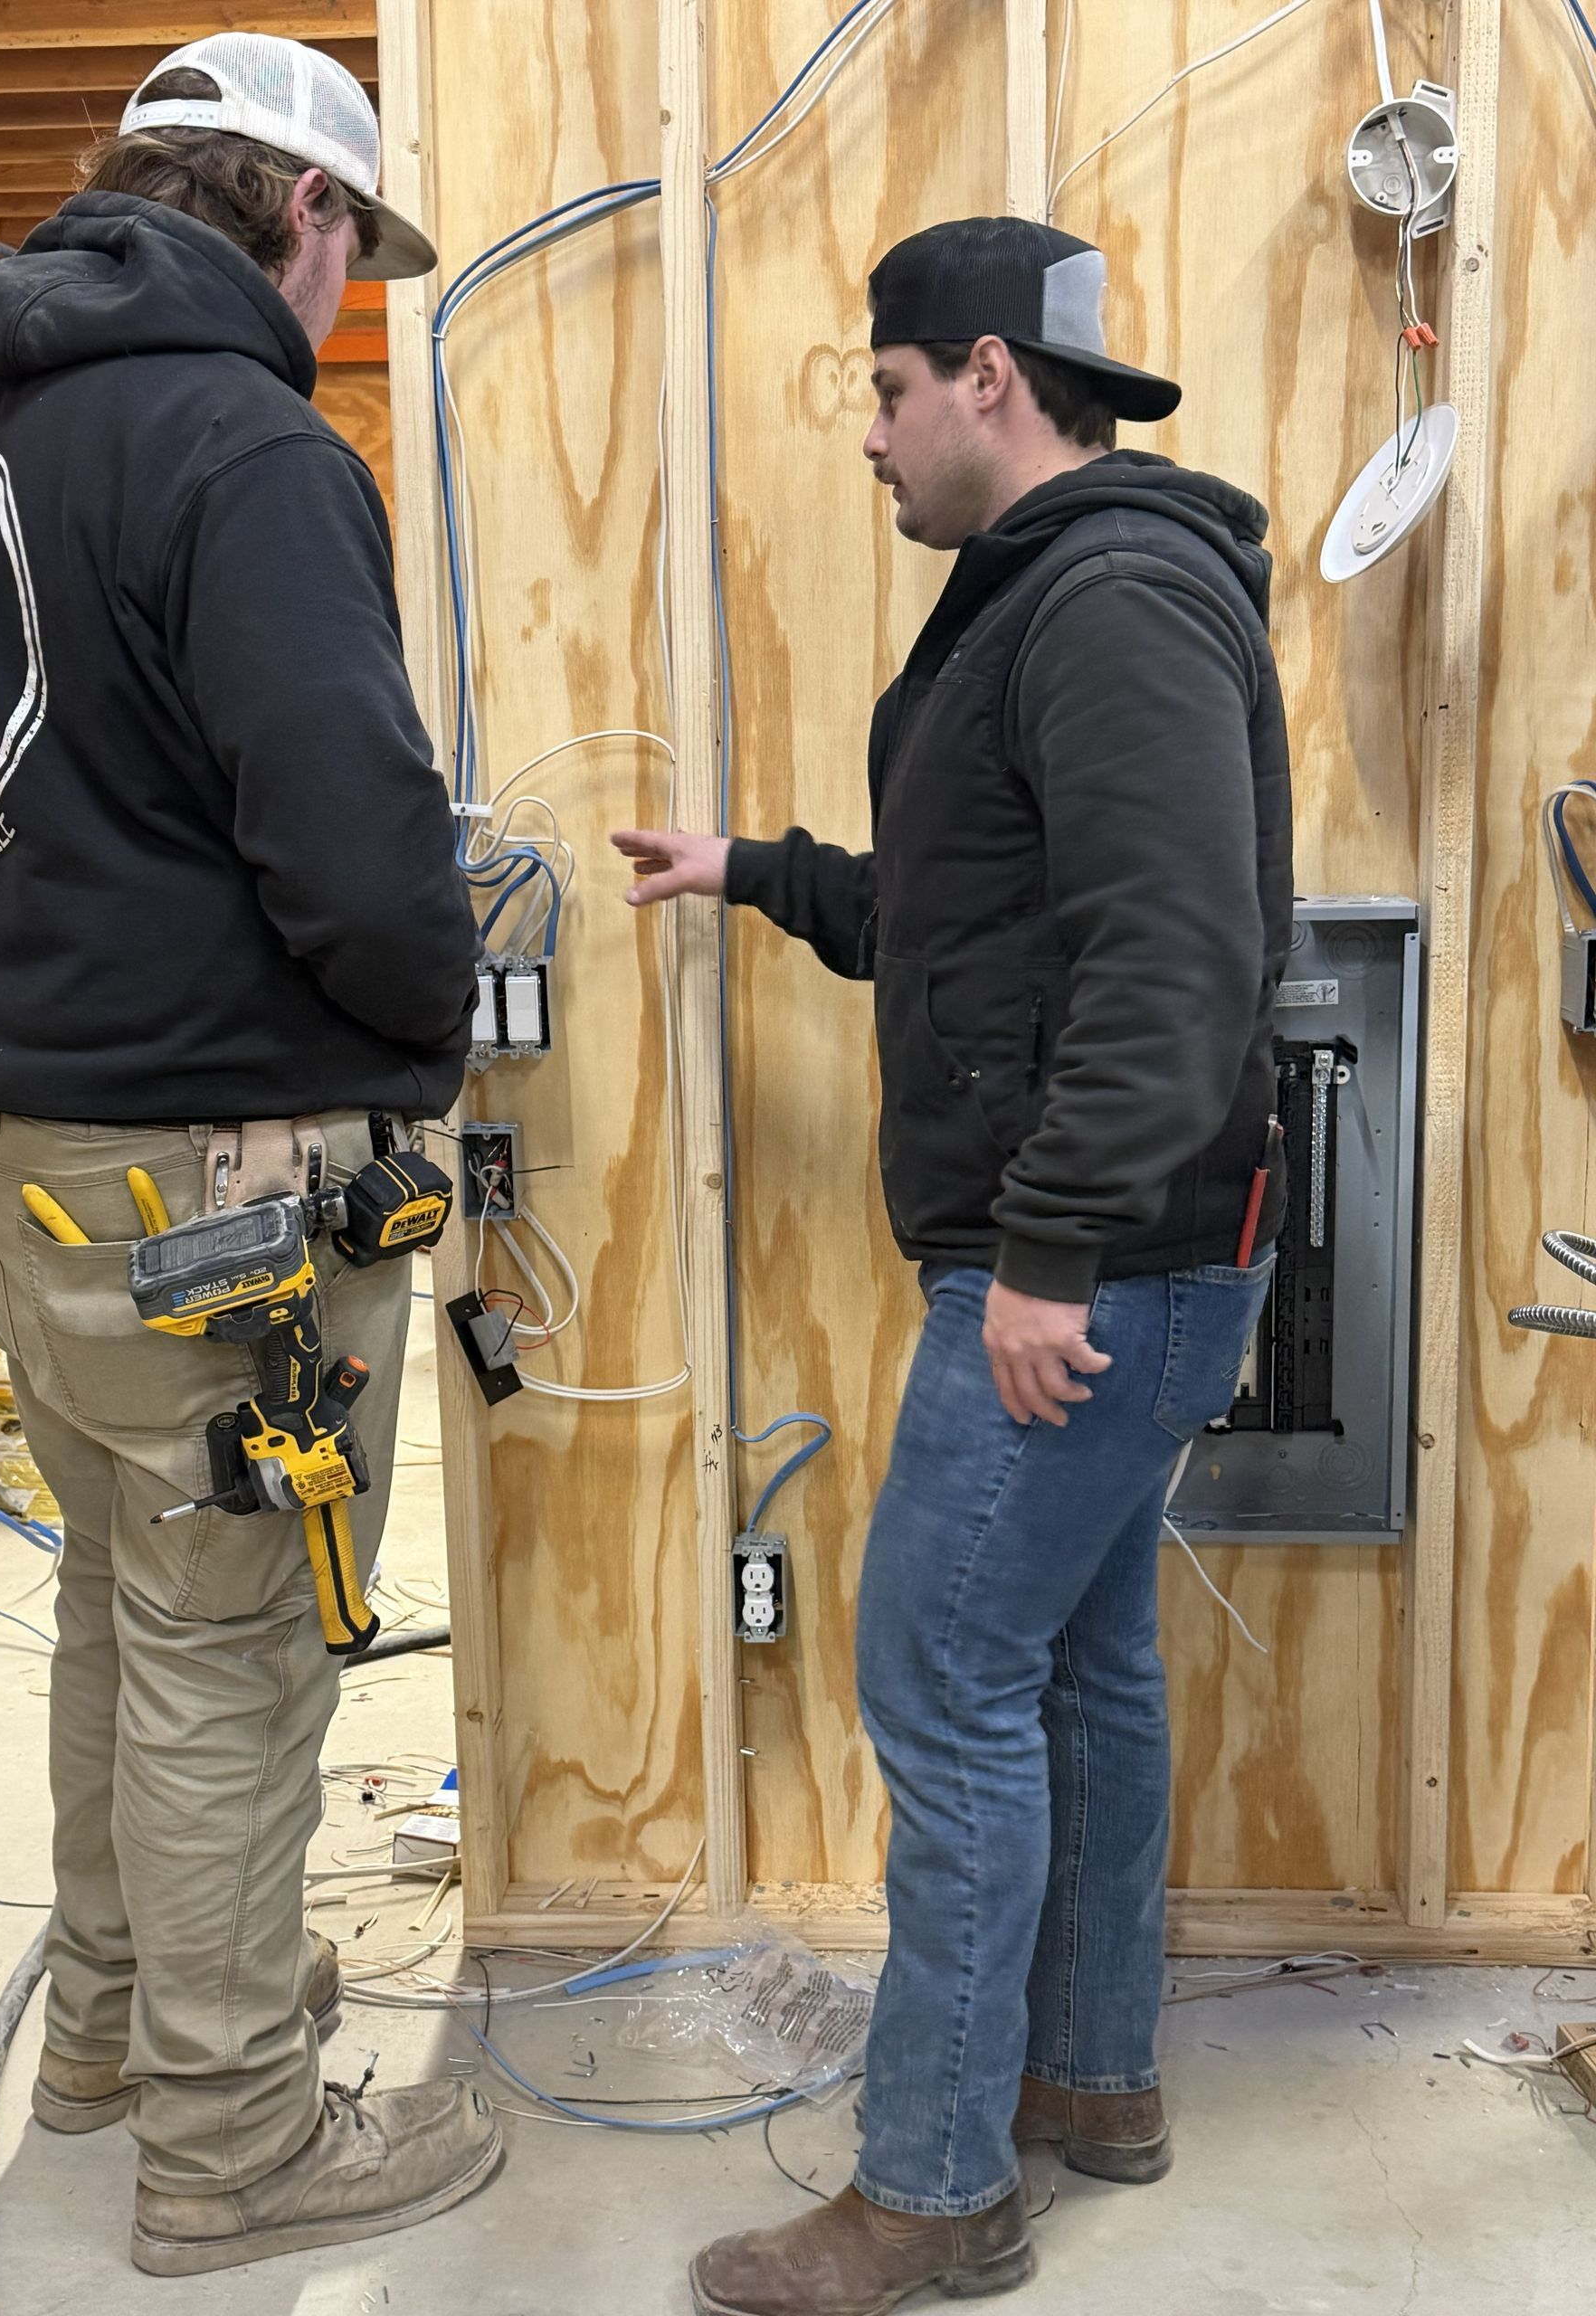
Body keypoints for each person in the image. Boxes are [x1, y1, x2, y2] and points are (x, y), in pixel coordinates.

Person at [614, 214, 1294, 2315]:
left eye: (887, 393)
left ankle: (929, 2184)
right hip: (1130, 1254)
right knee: (1074, 1664)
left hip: (1085, 1265)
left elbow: (1176, 958)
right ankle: (1089, 2079)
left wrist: (1049, 1252)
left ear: (987, 373)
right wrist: (758, 872)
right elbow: (983, 902)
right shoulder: (1063, 598)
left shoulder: (1102, 600)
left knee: (938, 1674)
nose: (875, 441)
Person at [0, 33, 498, 2278]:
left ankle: (127, 2024)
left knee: (128, 1598)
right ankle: (236, 2138)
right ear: (303, 214)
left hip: (4, 1138)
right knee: (235, 1643)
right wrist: (431, 1021)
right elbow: (357, 852)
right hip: (202, 1171)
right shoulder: (243, 440)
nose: (347, 301)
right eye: (356, 254)